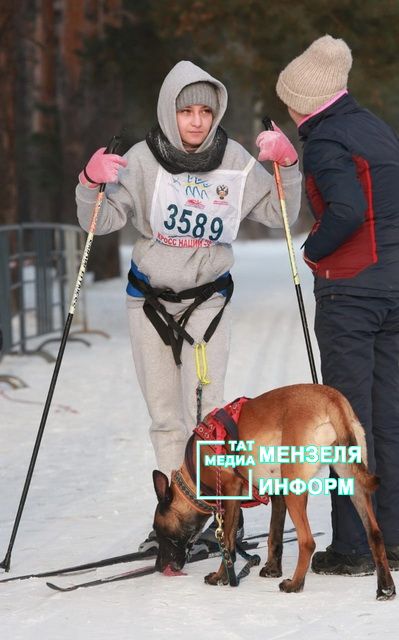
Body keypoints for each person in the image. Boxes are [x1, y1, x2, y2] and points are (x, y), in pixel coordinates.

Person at [76, 60, 301, 551]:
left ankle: (212, 511)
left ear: (217, 112)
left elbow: (279, 211)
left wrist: (287, 167)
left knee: (207, 415)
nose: (196, 121)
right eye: (185, 111)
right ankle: (175, 515)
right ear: (168, 111)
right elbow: (104, 220)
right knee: (164, 415)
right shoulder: (141, 159)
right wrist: (90, 183)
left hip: (207, 302)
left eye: (205, 110)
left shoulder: (235, 159)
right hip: (150, 303)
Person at [259, 34, 399, 575]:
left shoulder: (325, 140)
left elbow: (344, 210)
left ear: (307, 100)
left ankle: (353, 547)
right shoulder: (374, 128)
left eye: (290, 101)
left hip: (352, 292)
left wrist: (312, 251)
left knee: (345, 419)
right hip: (392, 288)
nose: (289, 112)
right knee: (386, 415)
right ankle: (392, 533)